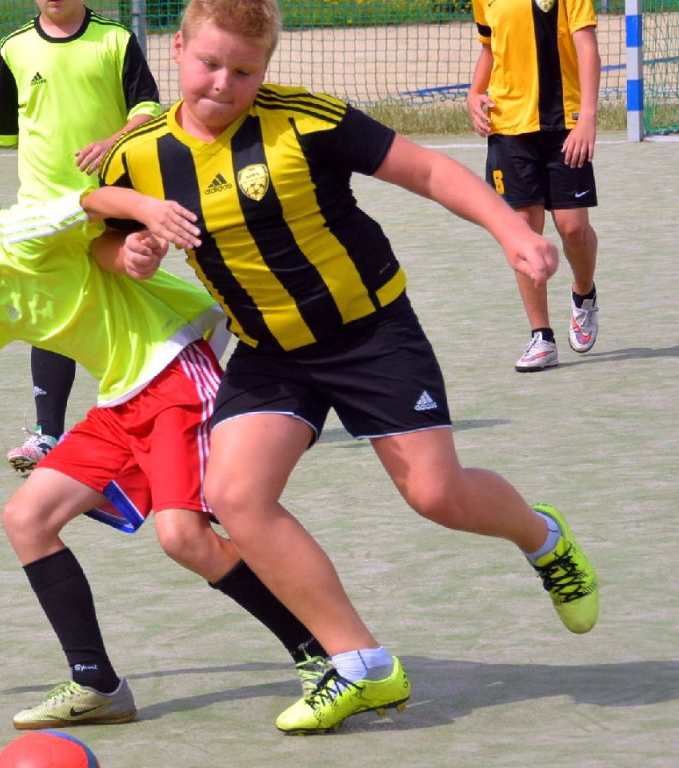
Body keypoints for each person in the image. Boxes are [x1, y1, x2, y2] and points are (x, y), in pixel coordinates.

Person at [90, 0, 600, 735]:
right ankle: (362, 665)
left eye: (244, 70)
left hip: (370, 333)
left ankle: (542, 538)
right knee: (234, 496)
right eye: (209, 63)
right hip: (268, 353)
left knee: (436, 495)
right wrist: (130, 253)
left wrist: (505, 231)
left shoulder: (305, 119)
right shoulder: (138, 156)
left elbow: (424, 170)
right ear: (176, 49)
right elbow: (104, 237)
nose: (222, 84)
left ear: (266, 70)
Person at [0, 145, 330, 730]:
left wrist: (149, 212)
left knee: (183, 537)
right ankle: (96, 683)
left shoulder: (23, 230)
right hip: (117, 403)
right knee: (26, 518)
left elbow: (92, 201)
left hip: (174, 373)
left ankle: (318, 654)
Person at [0, 0, 163, 471]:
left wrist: (113, 141)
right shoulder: (14, 49)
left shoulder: (115, 40)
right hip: (45, 213)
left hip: (112, 202)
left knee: (126, 312)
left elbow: (149, 111)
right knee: (52, 315)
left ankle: (154, 423)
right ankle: (47, 434)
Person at [466, 0, 602, 372]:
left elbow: (586, 45)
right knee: (524, 232)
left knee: (573, 228)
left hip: (564, 124)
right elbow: (489, 49)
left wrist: (587, 117)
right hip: (508, 127)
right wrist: (473, 93)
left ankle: (584, 294)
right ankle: (541, 336)